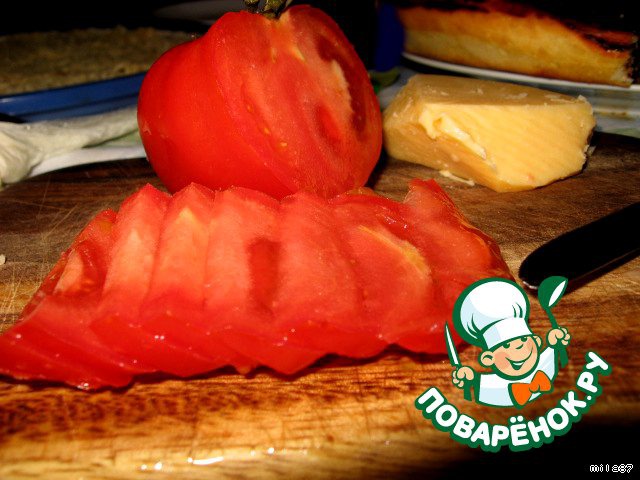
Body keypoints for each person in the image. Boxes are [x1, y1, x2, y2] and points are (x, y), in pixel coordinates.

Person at [451, 278, 571, 408]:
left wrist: (556, 343)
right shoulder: (493, 387)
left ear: (536, 341)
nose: (519, 349)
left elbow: (555, 355)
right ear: (488, 359)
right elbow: (474, 389)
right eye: (507, 345)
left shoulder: (545, 365)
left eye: (523, 340)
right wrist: (468, 380)